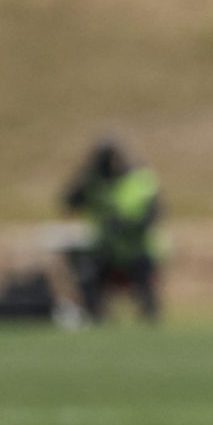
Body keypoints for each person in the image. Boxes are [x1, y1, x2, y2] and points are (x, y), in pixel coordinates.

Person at [60, 137, 166, 325]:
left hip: (137, 249)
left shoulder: (139, 180)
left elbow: (154, 214)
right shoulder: (94, 183)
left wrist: (126, 224)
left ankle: (150, 316)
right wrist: (86, 173)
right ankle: (95, 316)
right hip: (106, 250)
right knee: (85, 268)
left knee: (144, 282)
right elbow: (69, 200)